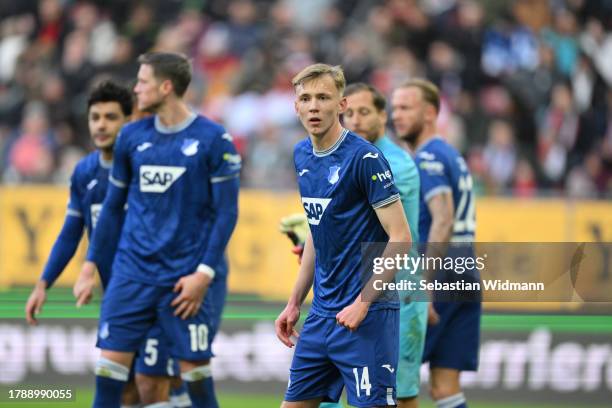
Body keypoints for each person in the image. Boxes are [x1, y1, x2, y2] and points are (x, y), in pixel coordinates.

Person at [75, 52, 240, 408]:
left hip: (183, 281)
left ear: (166, 87)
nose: (136, 88)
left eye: (143, 81)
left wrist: (203, 273)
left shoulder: (214, 140)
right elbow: (113, 209)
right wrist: (89, 267)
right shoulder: (131, 137)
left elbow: (226, 214)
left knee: (195, 381)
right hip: (131, 276)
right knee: (109, 379)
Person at [24, 80, 191, 407]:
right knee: (124, 392)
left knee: (153, 387)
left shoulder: (150, 167)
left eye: (111, 117)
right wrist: (44, 283)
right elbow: (71, 231)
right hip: (117, 299)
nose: (101, 125)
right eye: (95, 117)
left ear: (128, 121)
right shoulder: (84, 172)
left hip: (159, 295)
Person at [275, 63, 412, 408]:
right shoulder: (301, 154)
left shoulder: (365, 158)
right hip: (321, 316)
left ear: (341, 105)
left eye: (323, 97)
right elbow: (316, 236)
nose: (313, 106)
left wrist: (362, 304)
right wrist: (294, 303)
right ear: (296, 107)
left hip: (366, 317)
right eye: (305, 98)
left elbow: (401, 238)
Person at [392, 79, 480, 408]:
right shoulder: (451, 154)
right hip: (465, 270)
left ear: (430, 112)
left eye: (405, 108)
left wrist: (425, 286)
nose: (396, 116)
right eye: (394, 108)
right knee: (445, 388)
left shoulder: (427, 158)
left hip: (439, 278)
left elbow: (443, 218)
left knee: (394, 382)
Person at [343, 83, 426, 408]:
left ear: (382, 115)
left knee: (401, 397)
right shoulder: (352, 157)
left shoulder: (397, 164)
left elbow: (368, 223)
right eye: (348, 113)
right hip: (360, 288)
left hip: (400, 290)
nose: (355, 121)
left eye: (364, 112)